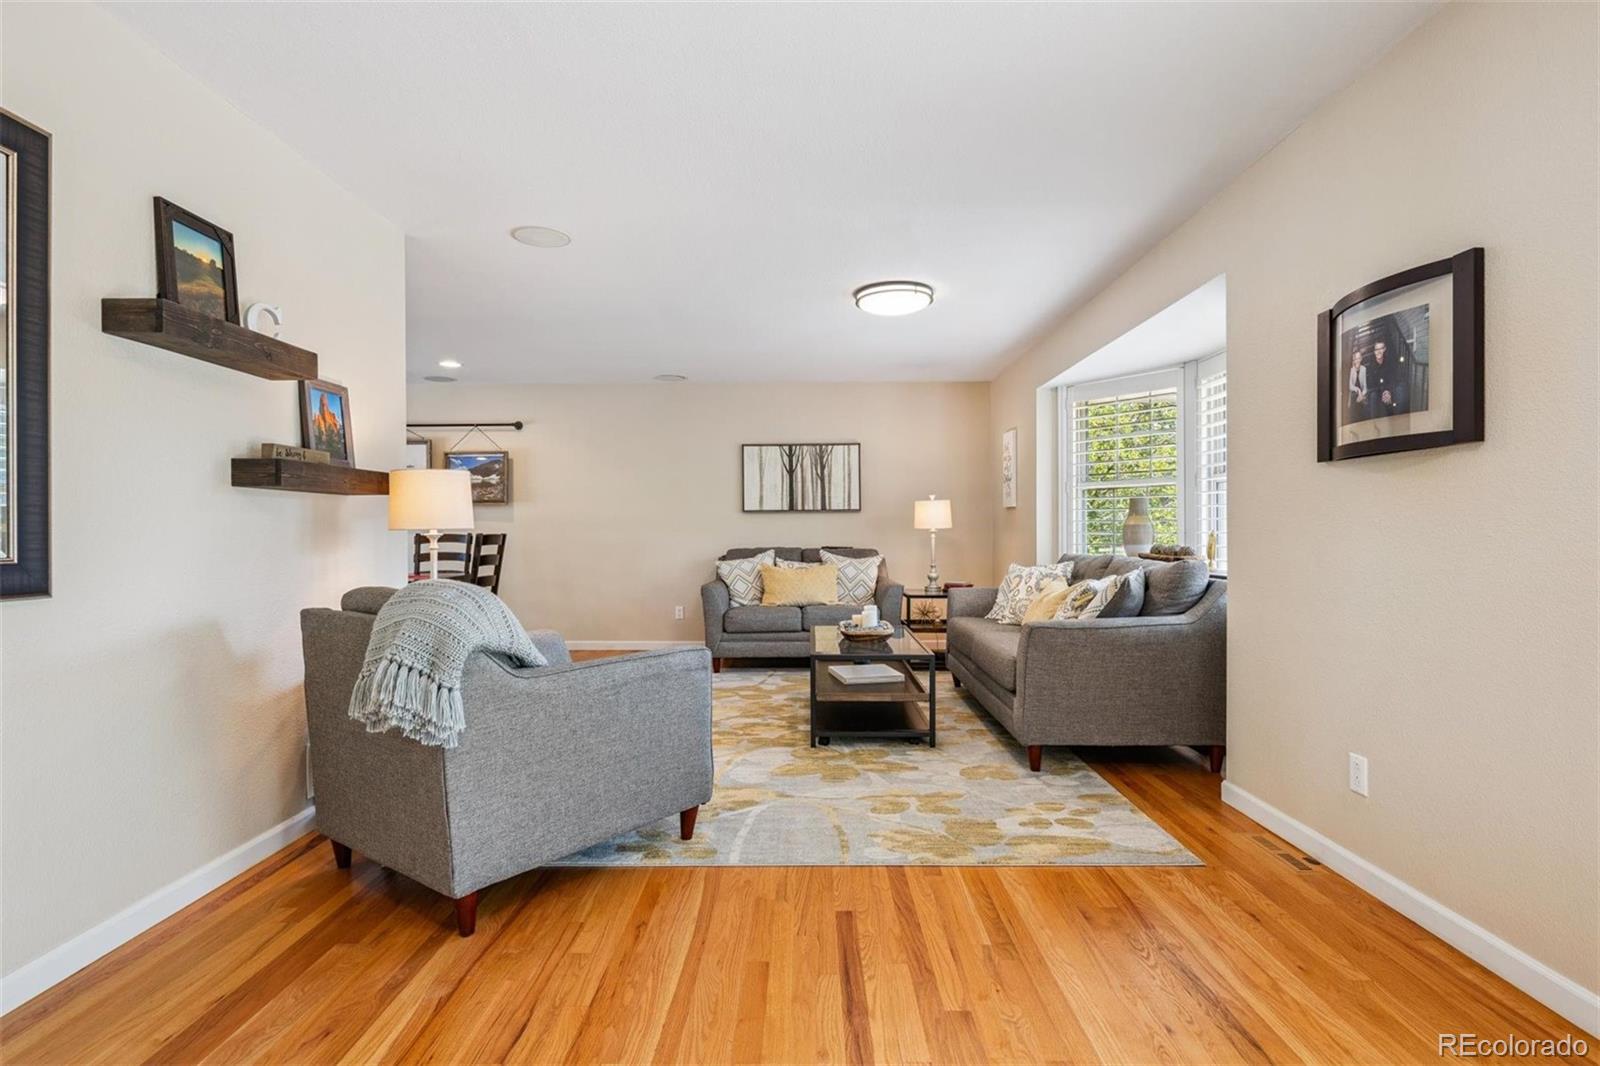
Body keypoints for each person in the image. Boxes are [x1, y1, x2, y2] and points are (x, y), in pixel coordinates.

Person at [1367, 339, 1409, 418]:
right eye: (1376, 349)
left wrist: (1388, 391)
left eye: (1381, 348)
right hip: (1379, 391)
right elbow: (1372, 384)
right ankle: (1374, 423)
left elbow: (1393, 378)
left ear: (1384, 349)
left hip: (1390, 389)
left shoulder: (1390, 361)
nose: (1378, 351)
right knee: (1373, 395)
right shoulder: (1371, 366)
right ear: (1374, 351)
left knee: (1401, 388)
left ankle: (1400, 420)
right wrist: (1384, 392)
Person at [1347, 348, 1369, 422]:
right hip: (1354, 394)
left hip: (1362, 396)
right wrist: (1358, 390)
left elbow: (1365, 387)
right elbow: (1350, 386)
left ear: (1361, 359)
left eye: (1359, 358)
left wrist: (1361, 395)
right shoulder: (1351, 370)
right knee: (1354, 399)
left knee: (1364, 404)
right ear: (1353, 360)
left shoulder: (1364, 369)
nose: (1357, 360)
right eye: (1355, 358)